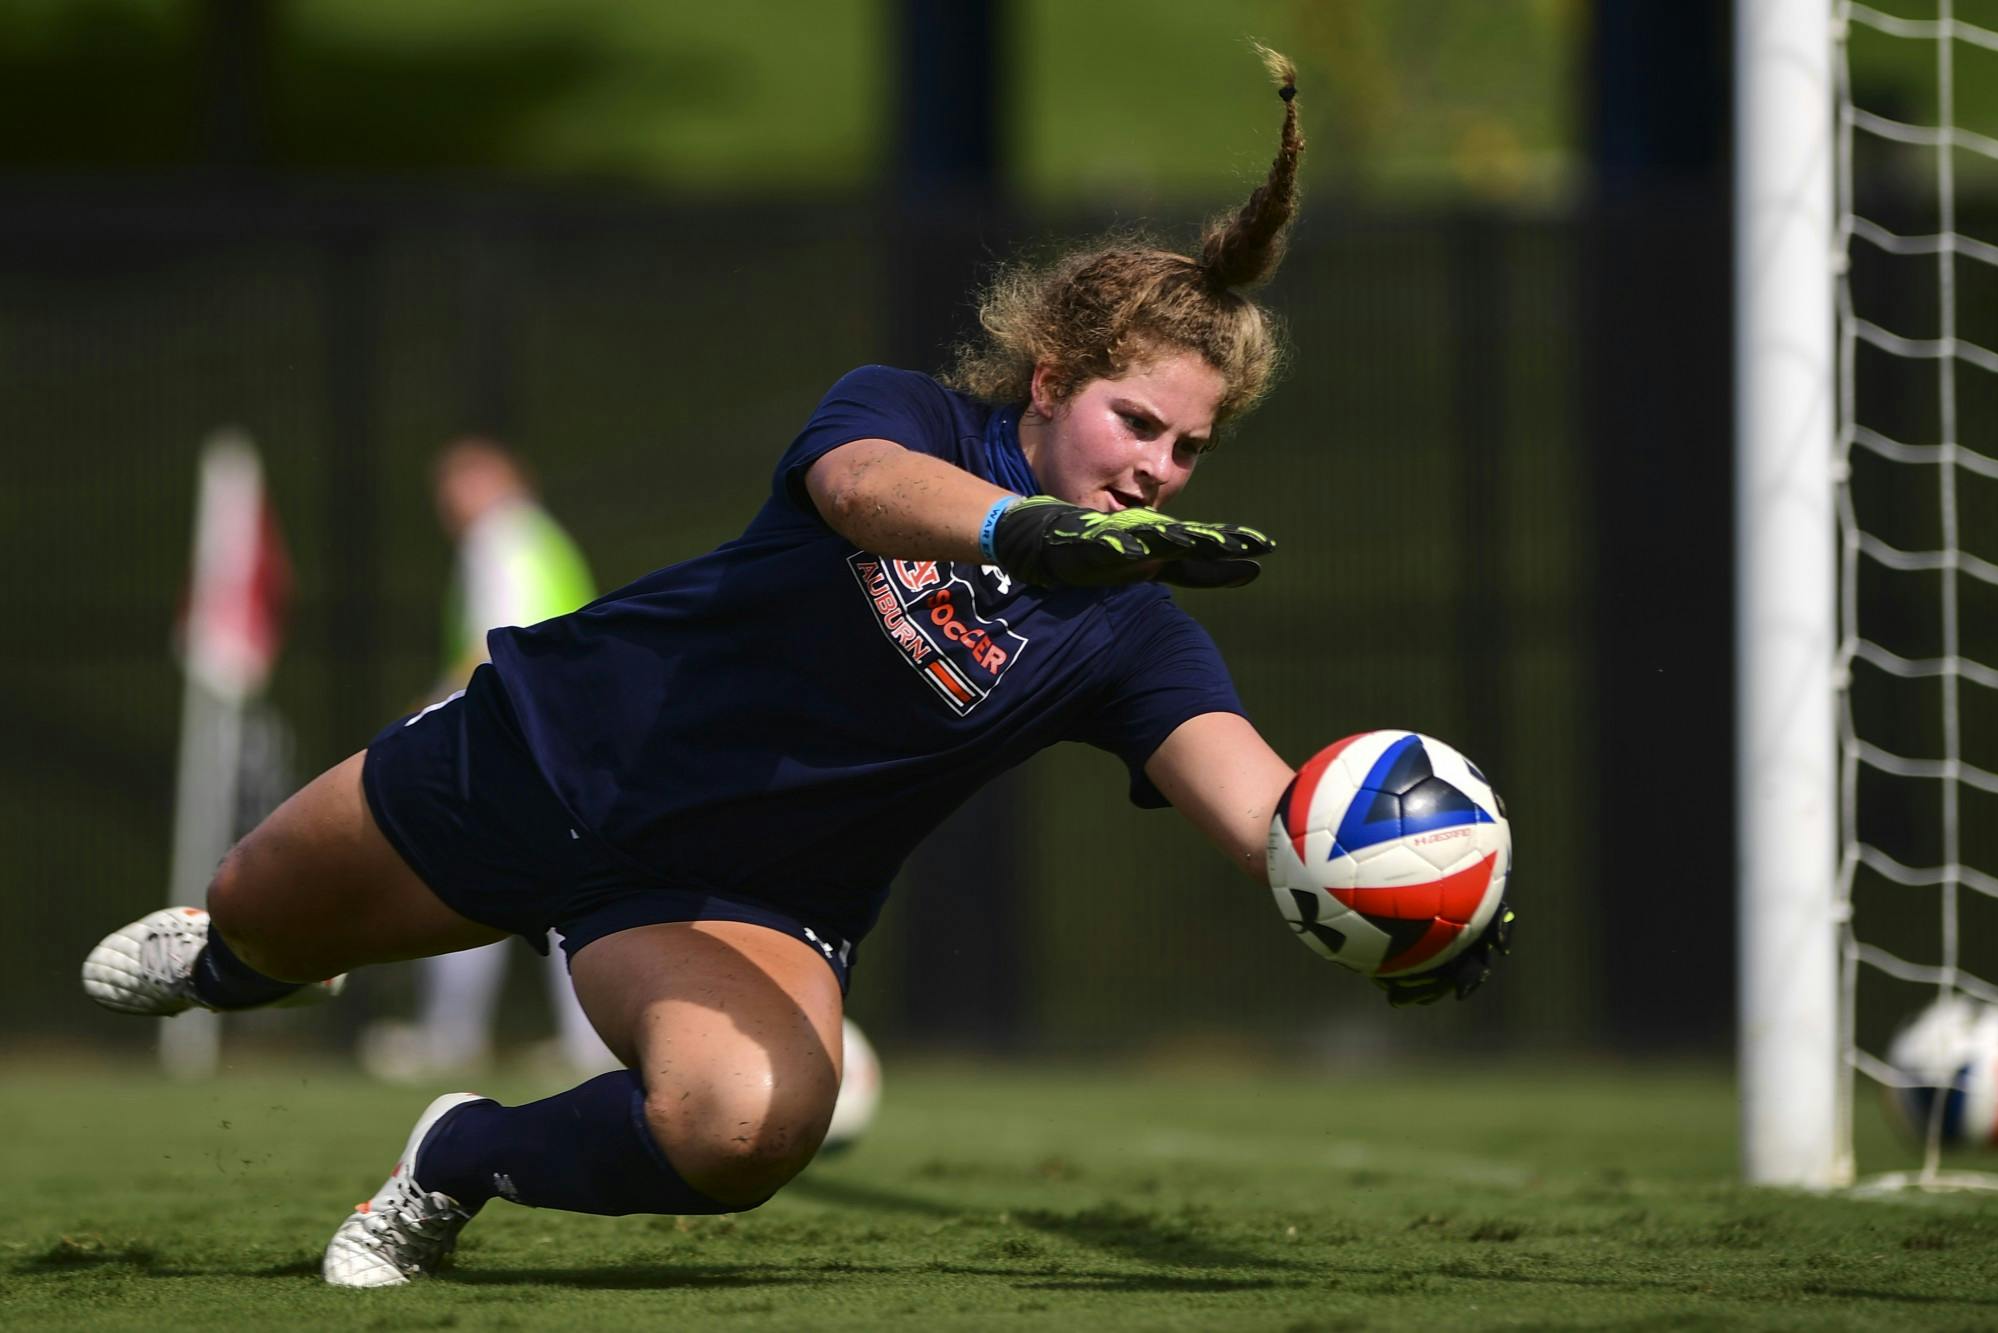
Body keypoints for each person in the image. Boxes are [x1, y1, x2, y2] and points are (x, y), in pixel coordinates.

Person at [80, 48, 1510, 1289]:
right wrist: (1034, 532)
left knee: (748, 1127)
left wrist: (1397, 902)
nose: (1158, 468)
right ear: (1054, 376)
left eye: (1190, 449)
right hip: (560, 745)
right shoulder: (905, 417)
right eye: (1140, 421)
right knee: (259, 915)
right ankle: (245, 961)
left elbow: (1268, 813)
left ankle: (451, 1162)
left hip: (736, 896)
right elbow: (860, 493)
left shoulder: (1134, 626)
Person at [356, 438, 617, 1082]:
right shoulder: (538, 538)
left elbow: (495, 641)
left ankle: (451, 1038)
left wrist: (433, 711)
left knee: (459, 875)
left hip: (526, 735)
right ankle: (589, 1042)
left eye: (462, 483)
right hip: (563, 733)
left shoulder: (501, 537)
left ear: (504, 480)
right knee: (563, 890)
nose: (449, 501)